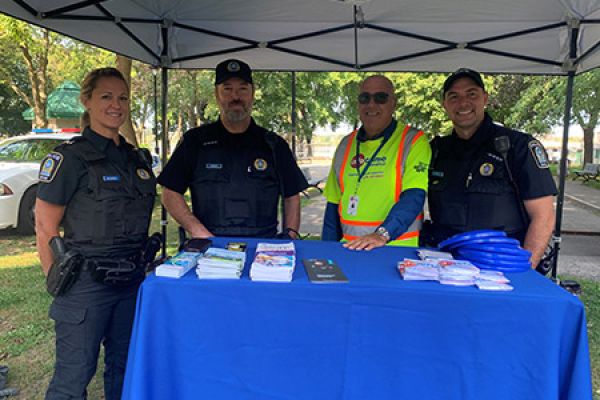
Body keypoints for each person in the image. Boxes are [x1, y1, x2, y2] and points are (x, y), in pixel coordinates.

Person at [35, 67, 157, 400]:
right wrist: (58, 284)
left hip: (132, 281)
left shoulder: (137, 160)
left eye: (123, 98)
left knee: (125, 369)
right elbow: (45, 225)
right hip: (85, 284)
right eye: (106, 96)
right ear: (87, 101)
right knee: (72, 380)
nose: (116, 105)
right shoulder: (69, 159)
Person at [158, 59, 308, 239]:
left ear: (252, 94)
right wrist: (200, 233)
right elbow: (170, 193)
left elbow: (292, 195)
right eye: (227, 89)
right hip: (210, 248)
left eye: (242, 89)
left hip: (263, 251)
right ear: (216, 94)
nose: (235, 97)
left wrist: (290, 236)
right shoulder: (195, 141)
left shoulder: (274, 145)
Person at [423, 68, 557, 268]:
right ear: (445, 104)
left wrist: (525, 269)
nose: (463, 103)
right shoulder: (435, 151)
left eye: (471, 94)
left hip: (500, 265)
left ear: (484, 98)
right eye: (454, 96)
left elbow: (544, 216)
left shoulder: (517, 146)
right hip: (443, 263)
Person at [321, 75, 431, 250]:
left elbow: (414, 197)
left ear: (393, 103)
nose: (371, 105)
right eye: (364, 98)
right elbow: (333, 207)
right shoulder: (345, 144)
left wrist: (382, 234)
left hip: (396, 249)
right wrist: (325, 251)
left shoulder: (413, 140)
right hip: (349, 249)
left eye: (380, 98)